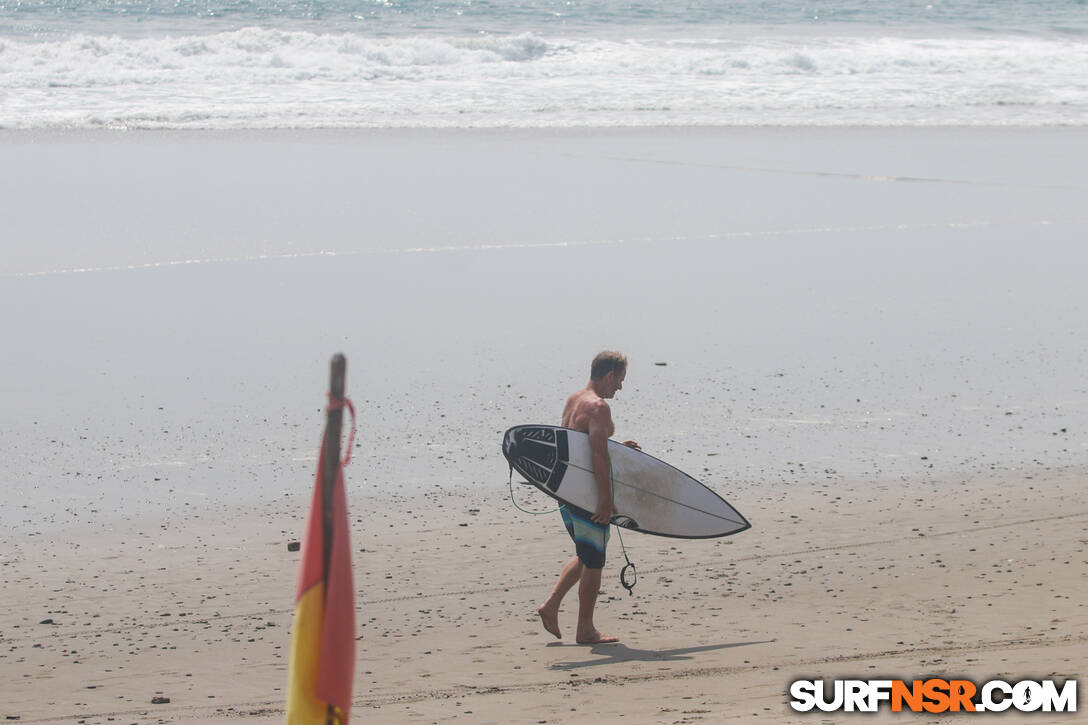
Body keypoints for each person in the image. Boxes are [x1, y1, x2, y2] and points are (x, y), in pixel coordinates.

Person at [537, 350, 640, 644]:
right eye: (619, 380)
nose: (619, 387)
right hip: (586, 494)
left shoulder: (575, 399)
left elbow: (581, 444)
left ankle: (551, 605)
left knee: (587, 551)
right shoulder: (598, 407)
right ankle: (585, 630)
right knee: (594, 560)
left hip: (566, 491)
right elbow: (596, 456)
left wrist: (617, 447)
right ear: (609, 375)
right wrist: (605, 501)